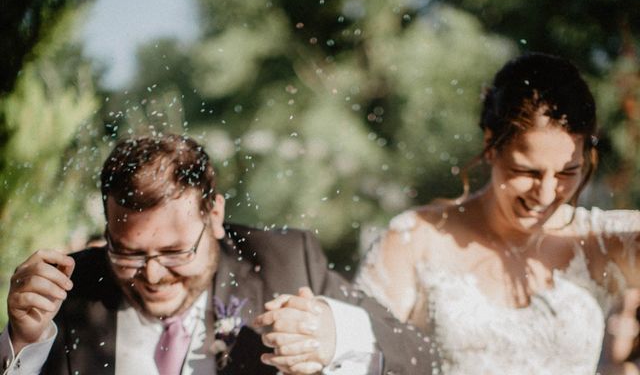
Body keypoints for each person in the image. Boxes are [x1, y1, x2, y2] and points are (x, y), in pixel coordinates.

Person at [0, 134, 439, 374]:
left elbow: (422, 359)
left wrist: (338, 335)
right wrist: (23, 341)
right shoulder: (67, 293)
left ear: (215, 216)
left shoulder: (285, 262)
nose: (152, 275)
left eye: (175, 251)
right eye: (128, 253)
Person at [356, 53, 640, 374]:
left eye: (567, 173)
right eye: (527, 171)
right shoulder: (415, 239)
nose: (547, 194)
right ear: (491, 145)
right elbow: (358, 351)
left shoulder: (603, 242)